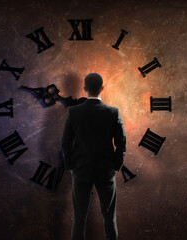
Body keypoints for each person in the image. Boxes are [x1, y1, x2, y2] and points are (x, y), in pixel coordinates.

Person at [61, 73, 126, 240]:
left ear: (84, 89)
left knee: (79, 217)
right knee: (109, 217)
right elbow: (121, 143)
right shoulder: (113, 112)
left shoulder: (74, 112)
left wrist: (70, 165)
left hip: (81, 169)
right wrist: (116, 166)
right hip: (105, 170)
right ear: (102, 88)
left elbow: (66, 142)